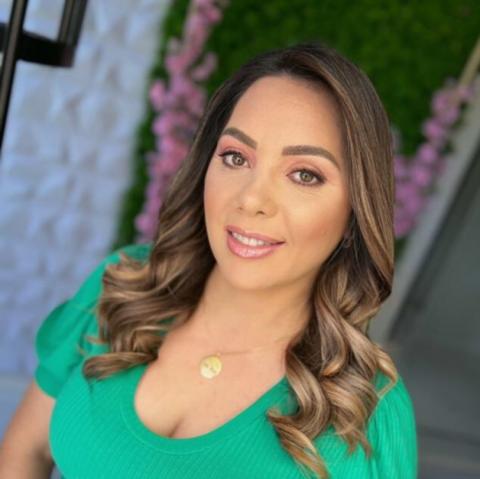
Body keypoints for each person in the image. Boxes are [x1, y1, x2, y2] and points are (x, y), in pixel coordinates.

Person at [0, 40, 418, 478]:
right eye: (236, 157)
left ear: (354, 213)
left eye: (304, 175)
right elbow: (24, 452)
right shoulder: (124, 286)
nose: (252, 199)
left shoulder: (368, 411)